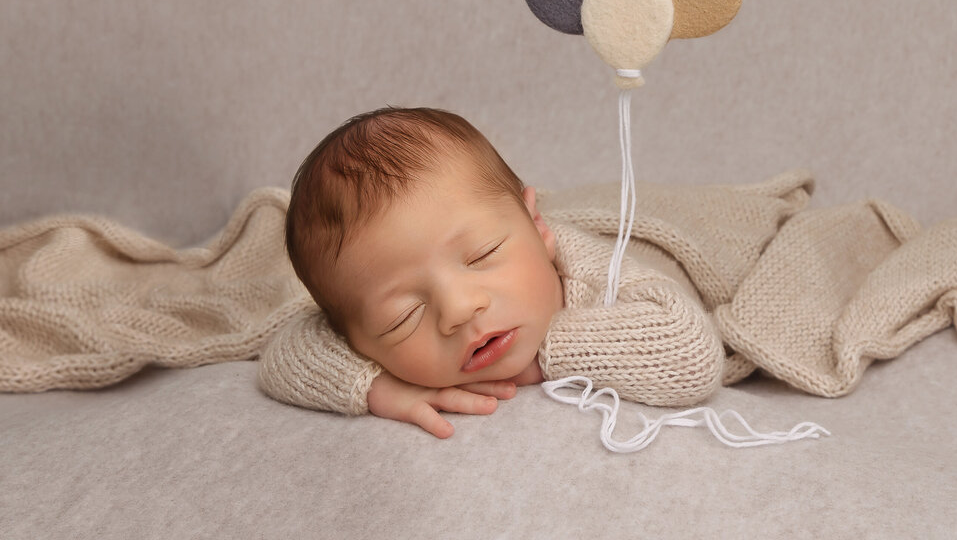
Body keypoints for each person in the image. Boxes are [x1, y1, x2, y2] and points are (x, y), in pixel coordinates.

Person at [258, 107, 723, 438]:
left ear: (536, 227)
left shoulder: (593, 273)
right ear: (356, 339)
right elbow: (283, 354)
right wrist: (376, 387)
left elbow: (692, 354)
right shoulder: (353, 324)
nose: (459, 309)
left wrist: (543, 355)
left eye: (482, 255)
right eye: (402, 317)